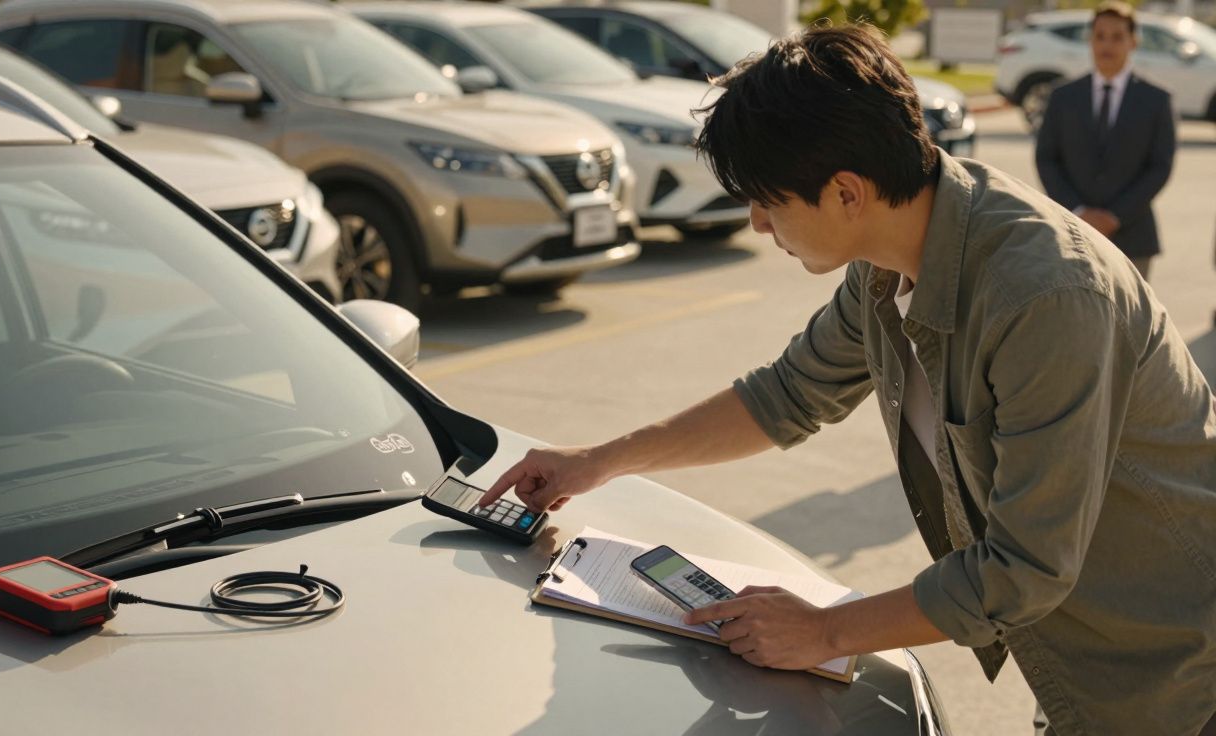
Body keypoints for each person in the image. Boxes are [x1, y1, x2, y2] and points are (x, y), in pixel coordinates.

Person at [480, 23, 1216, 736]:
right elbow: (785, 395)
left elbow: (1023, 571)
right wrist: (597, 461)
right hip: (1078, 661)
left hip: (1173, 674)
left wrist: (823, 630)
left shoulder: (1045, 297)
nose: (760, 226)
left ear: (846, 192)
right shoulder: (889, 262)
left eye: (769, 201)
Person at [1035, 1, 1177, 280]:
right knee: (1076, 321)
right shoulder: (1063, 97)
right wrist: (1078, 212)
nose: (1107, 45)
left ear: (1133, 42)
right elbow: (1047, 158)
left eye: (1117, 37)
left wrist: (1114, 216)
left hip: (1133, 237)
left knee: (1129, 323)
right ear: (1090, 40)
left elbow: (1160, 166)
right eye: (1100, 36)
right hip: (1072, 234)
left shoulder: (1157, 100)